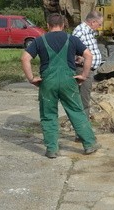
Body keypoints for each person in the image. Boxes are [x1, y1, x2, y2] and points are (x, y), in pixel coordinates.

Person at [21, 13, 99, 158]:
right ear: (63, 25)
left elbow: (25, 58)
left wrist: (31, 78)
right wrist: (83, 75)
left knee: (48, 115)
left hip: (48, 82)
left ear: (48, 25)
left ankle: (52, 149)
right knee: (76, 111)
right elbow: (89, 55)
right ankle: (89, 144)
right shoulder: (72, 39)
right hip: (68, 82)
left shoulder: (39, 40)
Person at [72, 11, 103, 120]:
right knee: (83, 102)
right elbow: (72, 51)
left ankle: (83, 130)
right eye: (99, 24)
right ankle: (83, 132)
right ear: (93, 22)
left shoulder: (89, 32)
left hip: (88, 70)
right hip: (83, 70)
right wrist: (81, 60)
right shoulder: (80, 31)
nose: (100, 27)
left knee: (85, 99)